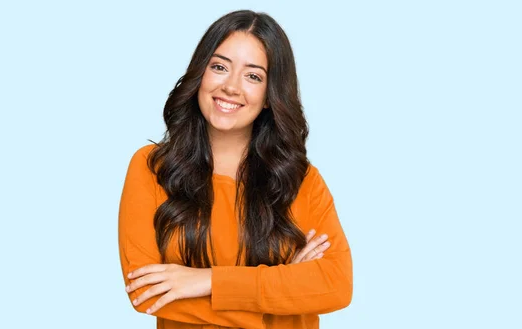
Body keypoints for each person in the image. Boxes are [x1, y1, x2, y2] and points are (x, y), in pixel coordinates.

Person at [118, 9, 352, 329]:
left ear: (270, 96)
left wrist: (209, 281)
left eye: (253, 75)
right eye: (219, 67)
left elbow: (337, 286)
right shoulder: (151, 168)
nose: (231, 86)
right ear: (200, 73)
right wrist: (285, 298)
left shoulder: (301, 181)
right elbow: (145, 291)